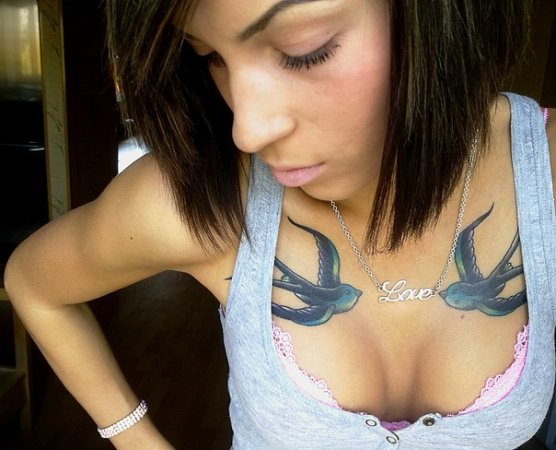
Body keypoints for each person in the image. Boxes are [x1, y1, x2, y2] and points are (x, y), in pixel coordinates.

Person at [4, 0, 556, 448]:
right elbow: (33, 283)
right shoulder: (210, 200)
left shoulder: (544, 171)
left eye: (303, 49)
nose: (247, 130)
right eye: (210, 57)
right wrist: (135, 438)